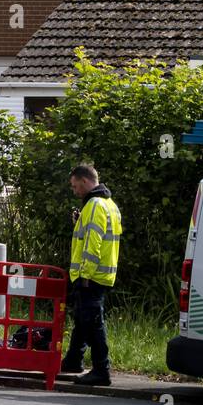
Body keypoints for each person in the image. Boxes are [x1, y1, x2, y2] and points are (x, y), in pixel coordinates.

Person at [62, 164, 122, 386]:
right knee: (83, 318)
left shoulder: (95, 205)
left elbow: (93, 244)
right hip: (101, 274)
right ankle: (73, 360)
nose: (74, 190)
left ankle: (101, 369)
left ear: (85, 181)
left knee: (94, 322)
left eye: (75, 185)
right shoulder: (108, 204)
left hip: (91, 276)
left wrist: (85, 274)